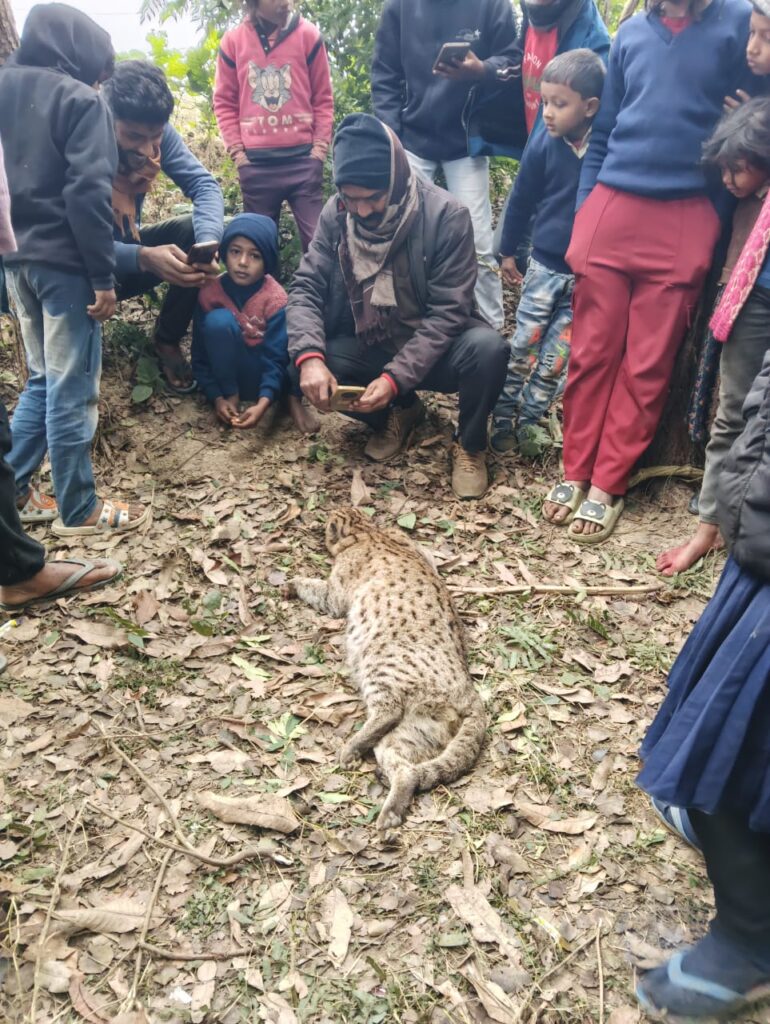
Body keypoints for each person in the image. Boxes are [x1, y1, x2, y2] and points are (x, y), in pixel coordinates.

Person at [542, 0, 753, 545]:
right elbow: (604, 131)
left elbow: (753, 119)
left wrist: (714, 213)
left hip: (686, 211)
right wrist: (586, 209)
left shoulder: (739, 23)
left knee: (647, 363)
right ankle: (575, 470)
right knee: (591, 351)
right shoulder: (632, 32)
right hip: (614, 204)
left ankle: (608, 483)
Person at [635, 350, 770, 1019]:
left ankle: (751, 940)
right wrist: (720, 517)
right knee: (717, 747)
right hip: (759, 549)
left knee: (735, 747)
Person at [287, 114, 508, 499]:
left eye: (372, 198)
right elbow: (306, 286)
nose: (362, 211)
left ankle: (470, 445)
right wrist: (309, 359)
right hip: (374, 342)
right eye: (351, 198)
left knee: (489, 351)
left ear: (397, 178)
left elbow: (448, 314)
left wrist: (395, 378)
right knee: (304, 360)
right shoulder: (336, 214)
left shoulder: (446, 216)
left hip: (436, 350)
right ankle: (399, 412)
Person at [0, 2, 148, 538]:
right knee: (72, 387)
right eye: (99, 72)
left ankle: (14, 492)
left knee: (43, 380)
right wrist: (104, 278)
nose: (99, 82)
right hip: (65, 267)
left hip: (15, 262)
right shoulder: (80, 100)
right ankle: (78, 508)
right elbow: (87, 194)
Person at [658, 98, 770, 576]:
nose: (727, 179)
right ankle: (709, 527)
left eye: (737, 169)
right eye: (724, 168)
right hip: (754, 300)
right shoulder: (748, 200)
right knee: (734, 414)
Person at [371, 0, 520, 332]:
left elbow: (513, 59)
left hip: (466, 141)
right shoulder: (399, 7)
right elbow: (384, 73)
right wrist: (392, 136)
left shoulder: (490, 5)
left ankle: (492, 333)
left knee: (477, 243)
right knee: (401, 237)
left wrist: (482, 70)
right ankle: (403, 330)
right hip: (412, 138)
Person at [491, 50, 604, 458]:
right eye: (544, 102)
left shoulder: (605, 147)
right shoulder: (543, 143)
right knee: (524, 346)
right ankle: (502, 418)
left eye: (560, 104)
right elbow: (521, 198)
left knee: (558, 357)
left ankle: (530, 421)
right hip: (544, 267)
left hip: (585, 276)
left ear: (590, 107)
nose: (549, 113)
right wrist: (507, 251)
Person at [103, 60, 225, 394]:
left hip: (123, 255)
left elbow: (205, 186)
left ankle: (167, 339)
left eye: (154, 136)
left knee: (191, 232)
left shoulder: (157, 135)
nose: (147, 149)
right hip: (78, 266)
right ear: (106, 116)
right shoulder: (82, 135)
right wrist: (142, 257)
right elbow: (66, 244)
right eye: (133, 136)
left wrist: (208, 243)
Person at [213, 0, 334, 252]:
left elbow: (323, 98)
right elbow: (224, 102)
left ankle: (320, 282)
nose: (285, 2)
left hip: (303, 163)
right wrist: (239, 155)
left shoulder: (308, 35)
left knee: (320, 247)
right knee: (257, 251)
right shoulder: (234, 42)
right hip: (256, 168)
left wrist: (318, 151)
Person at [192, 213, 318, 433]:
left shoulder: (275, 298)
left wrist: (264, 401)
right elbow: (200, 355)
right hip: (226, 376)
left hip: (262, 376)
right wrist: (217, 396)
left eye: (255, 255)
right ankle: (232, 396)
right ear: (224, 254)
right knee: (218, 322)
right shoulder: (210, 292)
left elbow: (277, 357)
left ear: (266, 261)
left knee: (297, 346)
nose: (242, 262)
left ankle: (287, 398)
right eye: (235, 251)